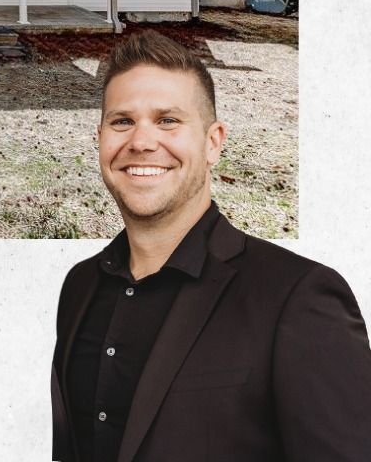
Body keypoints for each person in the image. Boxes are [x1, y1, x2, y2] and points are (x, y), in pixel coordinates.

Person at [51, 30, 371, 462]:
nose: (141, 141)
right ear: (101, 138)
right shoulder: (79, 287)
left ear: (213, 142)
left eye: (168, 120)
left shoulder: (298, 298)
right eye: (122, 121)